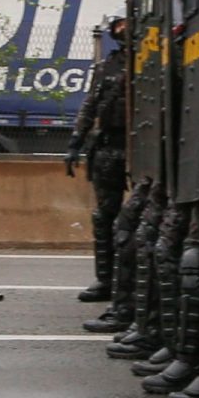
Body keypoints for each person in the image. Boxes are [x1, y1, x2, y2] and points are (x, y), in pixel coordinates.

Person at [67, 18, 128, 309]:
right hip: (109, 145)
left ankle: (132, 289)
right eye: (118, 26)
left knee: (140, 224)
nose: (122, 30)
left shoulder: (158, 60)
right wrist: (76, 141)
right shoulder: (108, 66)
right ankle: (106, 280)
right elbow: (91, 103)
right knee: (104, 217)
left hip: (146, 147)